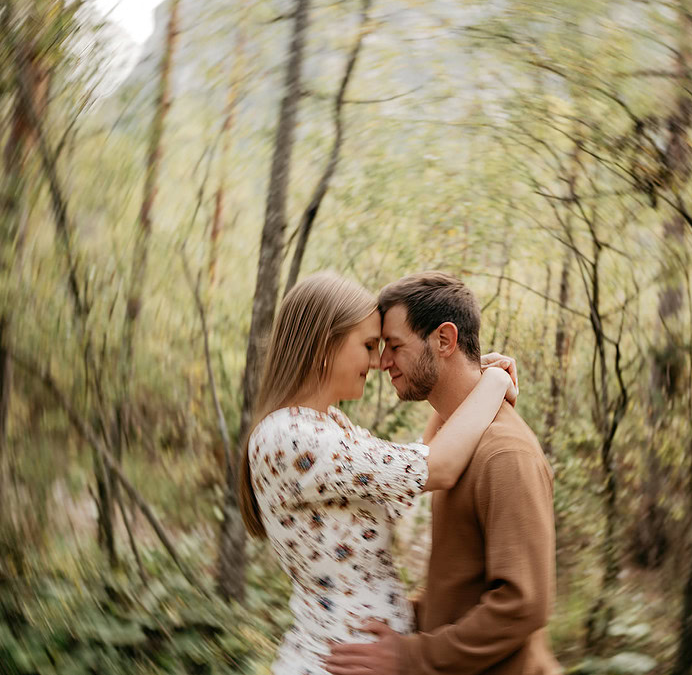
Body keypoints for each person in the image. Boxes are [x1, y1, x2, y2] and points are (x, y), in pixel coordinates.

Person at [238, 271, 518, 675]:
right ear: (324, 345)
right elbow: (437, 467)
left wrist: (469, 383)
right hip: (333, 663)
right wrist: (492, 381)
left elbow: (417, 463)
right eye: (369, 345)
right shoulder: (293, 438)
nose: (377, 362)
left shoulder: (326, 425)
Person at [325, 271, 560, 675]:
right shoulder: (457, 441)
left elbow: (525, 604)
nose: (382, 363)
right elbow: (462, 581)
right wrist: (405, 620)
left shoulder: (505, 455)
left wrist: (414, 656)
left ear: (445, 340)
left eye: (395, 346)